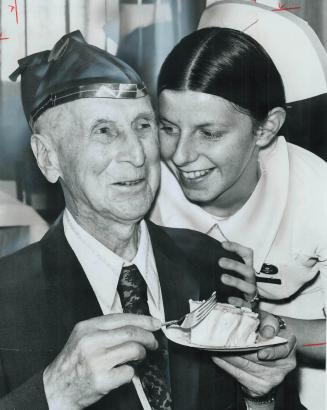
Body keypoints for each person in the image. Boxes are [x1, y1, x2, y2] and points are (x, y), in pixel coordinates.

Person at [0, 30, 300, 410]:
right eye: (104, 131)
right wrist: (53, 394)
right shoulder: (7, 298)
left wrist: (263, 396)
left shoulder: (215, 265)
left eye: (143, 126)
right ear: (48, 157)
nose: (137, 155)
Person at [151, 27, 326, 408]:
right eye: (168, 128)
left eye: (209, 133)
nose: (180, 156)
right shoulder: (142, 183)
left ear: (266, 128)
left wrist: (255, 324)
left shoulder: (317, 193)